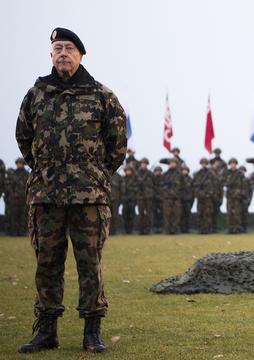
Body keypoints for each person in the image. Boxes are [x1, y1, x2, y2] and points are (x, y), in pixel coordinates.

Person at [15, 27, 127, 353]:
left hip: (89, 197)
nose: (63, 53)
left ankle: (92, 331)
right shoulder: (36, 95)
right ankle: (46, 330)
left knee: (89, 264)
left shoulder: (102, 97)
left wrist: (95, 175)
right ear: (51, 55)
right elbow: (24, 138)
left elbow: (117, 145)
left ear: (80, 55)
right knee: (46, 263)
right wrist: (45, 170)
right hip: (46, 196)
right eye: (58, 48)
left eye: (69, 49)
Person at [6, 157, 29, 236]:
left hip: (24, 198)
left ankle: (22, 233)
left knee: (24, 217)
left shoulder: (27, 175)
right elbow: (9, 186)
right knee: (14, 216)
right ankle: (14, 232)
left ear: (23, 164)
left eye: (21, 163)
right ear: (16, 164)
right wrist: (12, 195)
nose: (20, 165)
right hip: (14, 199)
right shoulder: (13, 174)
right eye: (18, 163)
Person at [193, 158, 216, 234]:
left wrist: (209, 194)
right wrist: (199, 193)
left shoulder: (211, 174)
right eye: (202, 163)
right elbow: (194, 185)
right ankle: (200, 228)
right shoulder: (197, 174)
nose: (203, 164)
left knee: (208, 213)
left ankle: (207, 228)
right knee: (200, 213)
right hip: (200, 197)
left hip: (208, 197)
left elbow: (214, 185)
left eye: (205, 163)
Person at [224, 158, 245, 234]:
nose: (233, 165)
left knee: (237, 213)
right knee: (229, 212)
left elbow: (244, 185)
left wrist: (241, 193)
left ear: (236, 164)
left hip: (237, 196)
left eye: (234, 163)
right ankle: (230, 228)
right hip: (229, 196)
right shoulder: (226, 173)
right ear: (229, 164)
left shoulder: (240, 174)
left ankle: (237, 228)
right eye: (231, 163)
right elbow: (223, 182)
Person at [162, 158, 182, 234]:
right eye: (170, 163)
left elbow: (182, 186)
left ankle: (175, 229)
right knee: (167, 214)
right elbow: (161, 185)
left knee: (176, 214)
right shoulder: (165, 174)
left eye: (173, 163)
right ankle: (167, 229)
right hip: (167, 198)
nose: (172, 164)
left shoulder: (179, 175)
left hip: (176, 198)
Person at [136, 158, 155, 235]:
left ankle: (148, 229)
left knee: (149, 213)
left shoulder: (150, 174)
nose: (143, 165)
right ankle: (141, 229)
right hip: (140, 196)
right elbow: (134, 184)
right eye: (142, 163)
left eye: (145, 163)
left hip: (149, 196)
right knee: (141, 213)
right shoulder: (137, 173)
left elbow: (154, 184)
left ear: (147, 164)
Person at [121, 166, 137, 234]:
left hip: (132, 200)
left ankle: (131, 229)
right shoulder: (122, 179)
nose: (128, 172)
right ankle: (126, 230)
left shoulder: (134, 179)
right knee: (125, 215)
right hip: (124, 200)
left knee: (131, 215)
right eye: (127, 170)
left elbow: (136, 189)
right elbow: (120, 189)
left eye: (129, 170)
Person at [152, 166, 164, 233]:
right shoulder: (152, 178)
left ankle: (161, 228)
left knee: (162, 214)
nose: (158, 172)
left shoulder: (163, 178)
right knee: (154, 213)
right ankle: (155, 227)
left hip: (161, 199)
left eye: (159, 171)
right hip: (154, 199)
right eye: (156, 171)